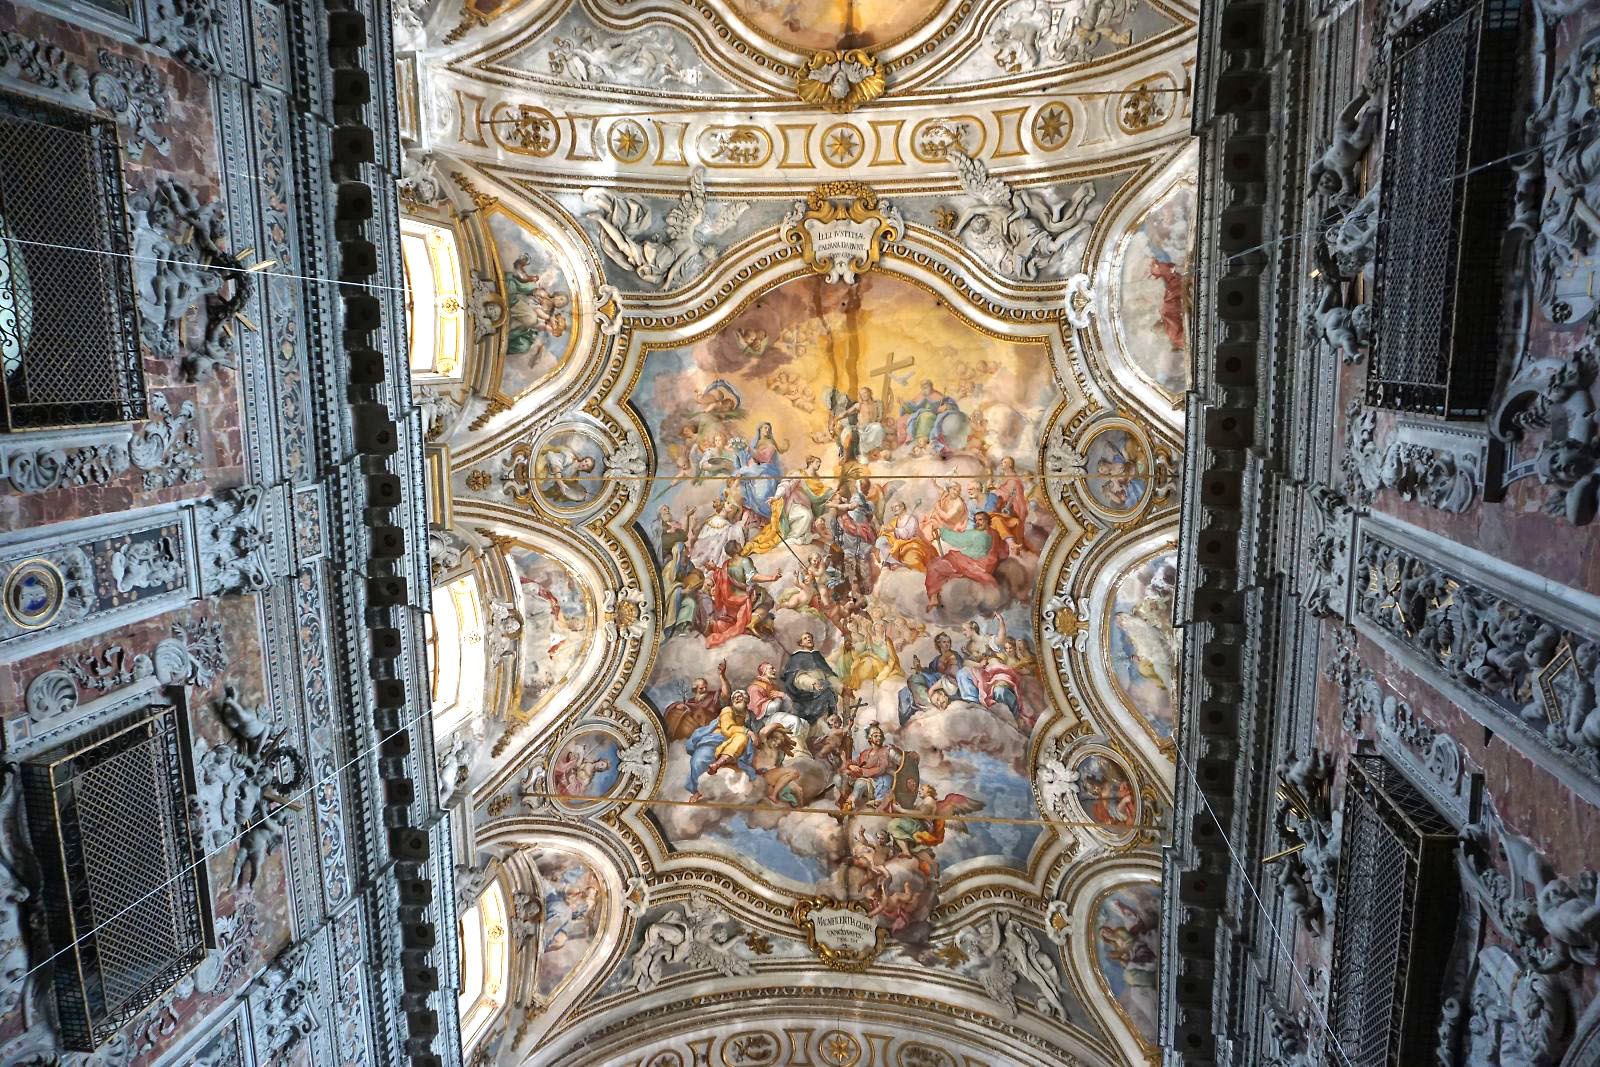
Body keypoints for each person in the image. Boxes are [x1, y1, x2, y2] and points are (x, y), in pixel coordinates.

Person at [924, 513, 1008, 609]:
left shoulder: (977, 534)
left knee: (935, 566)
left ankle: (934, 597)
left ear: (987, 521)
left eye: (980, 520)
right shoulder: (994, 534)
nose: (977, 522)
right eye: (976, 520)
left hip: (970, 565)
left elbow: (957, 539)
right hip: (986, 566)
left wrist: (941, 528)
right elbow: (1003, 552)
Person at [685, 690, 757, 800]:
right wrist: (749, 732)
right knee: (698, 760)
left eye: (739, 697)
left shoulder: (750, 715)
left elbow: (757, 729)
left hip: (736, 742)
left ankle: (717, 764)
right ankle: (697, 791)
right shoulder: (727, 710)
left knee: (742, 737)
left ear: (746, 699)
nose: (736, 699)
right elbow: (727, 729)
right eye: (734, 698)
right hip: (715, 740)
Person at [780, 631, 838, 723]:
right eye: (805, 638)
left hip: (824, 691)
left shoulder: (817, 655)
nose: (808, 639)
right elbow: (798, 678)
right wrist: (812, 683)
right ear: (801, 643)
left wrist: (839, 686)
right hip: (807, 697)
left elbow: (828, 673)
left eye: (809, 637)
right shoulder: (797, 657)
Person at [840, 725, 901, 812]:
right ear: (870, 738)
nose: (879, 738)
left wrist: (862, 771)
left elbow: (898, 763)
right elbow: (855, 762)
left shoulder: (888, 751)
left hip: (881, 781)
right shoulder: (865, 753)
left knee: (859, 784)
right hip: (869, 780)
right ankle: (846, 808)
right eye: (876, 736)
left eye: (880, 736)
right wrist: (850, 766)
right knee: (844, 780)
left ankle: (876, 802)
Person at [663, 665, 730, 740]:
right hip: (692, 727)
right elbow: (687, 706)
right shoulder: (691, 701)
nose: (704, 690)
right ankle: (671, 736)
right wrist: (679, 706)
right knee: (675, 712)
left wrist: (722, 676)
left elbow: (726, 694)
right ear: (696, 689)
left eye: (705, 687)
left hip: (708, 725)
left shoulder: (713, 696)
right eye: (701, 688)